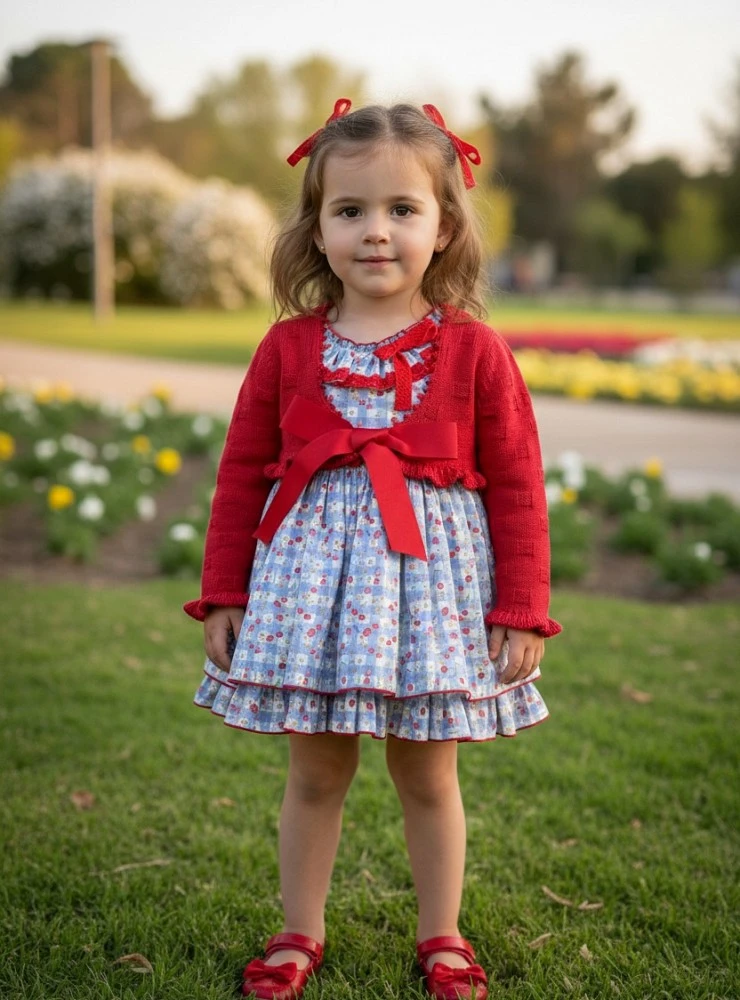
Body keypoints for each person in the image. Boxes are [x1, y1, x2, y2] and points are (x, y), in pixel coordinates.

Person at [183, 98, 561, 1000]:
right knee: (316, 768)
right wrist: (224, 591)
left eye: (403, 209)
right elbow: (241, 475)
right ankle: (297, 932)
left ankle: (443, 936)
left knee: (427, 773)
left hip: (430, 595)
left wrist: (521, 606)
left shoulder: (474, 352)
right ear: (317, 229)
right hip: (311, 592)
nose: (376, 232)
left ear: (445, 225)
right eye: (349, 211)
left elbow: (517, 484)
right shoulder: (286, 350)